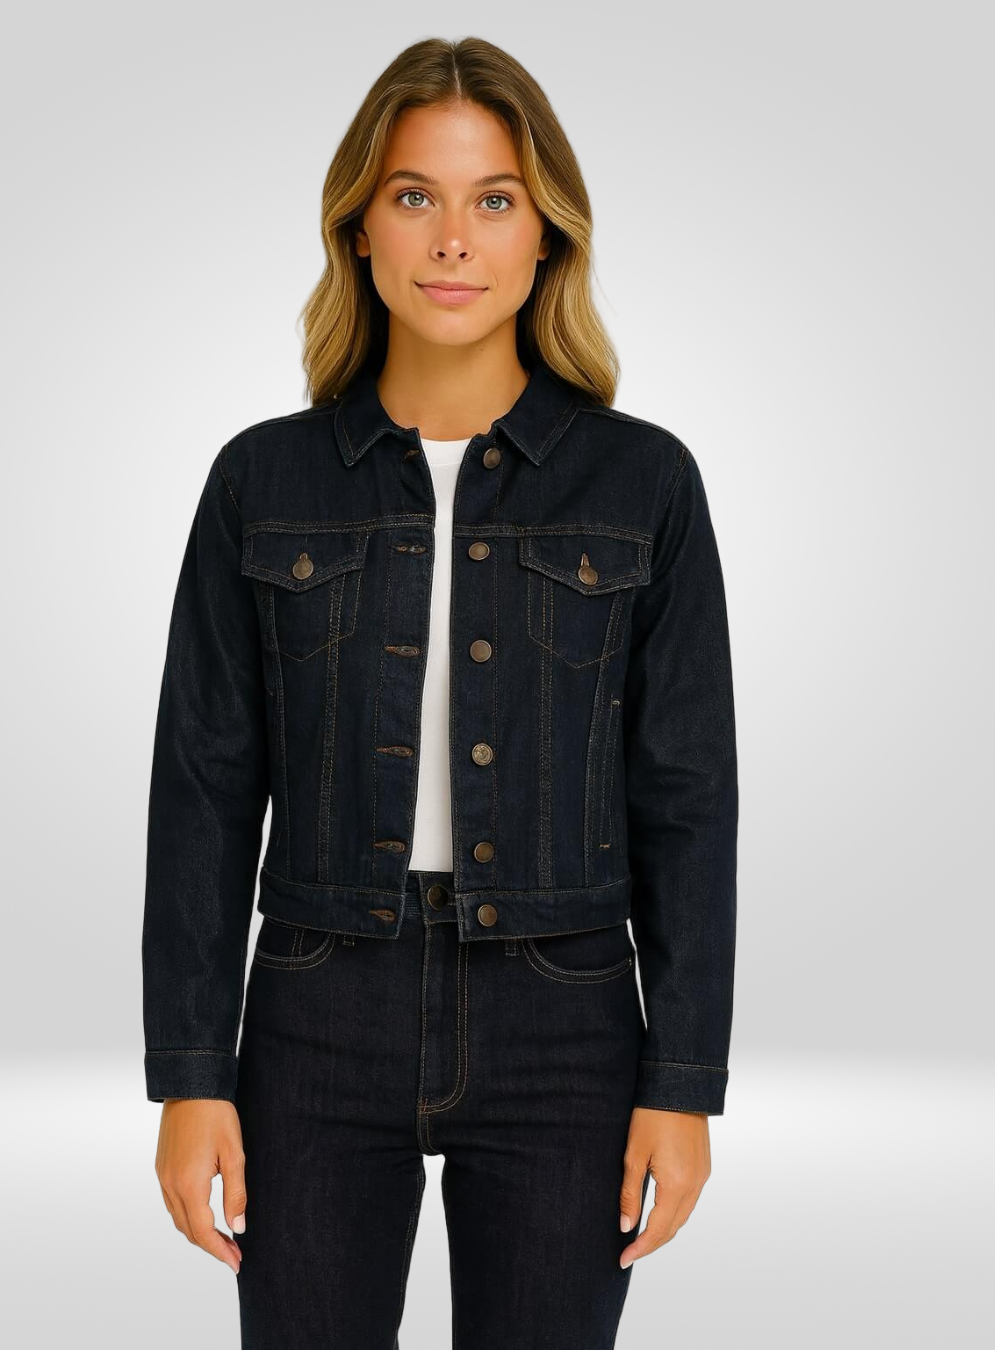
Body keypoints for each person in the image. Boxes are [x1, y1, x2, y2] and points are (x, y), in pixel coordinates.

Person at [142, 35, 738, 1350]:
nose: (453, 239)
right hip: (313, 1010)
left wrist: (684, 1082)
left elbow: (688, 798)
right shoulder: (262, 481)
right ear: (359, 228)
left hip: (566, 1017)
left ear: (547, 234)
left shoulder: (644, 484)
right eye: (414, 195)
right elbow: (203, 789)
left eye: (495, 199)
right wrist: (190, 1077)